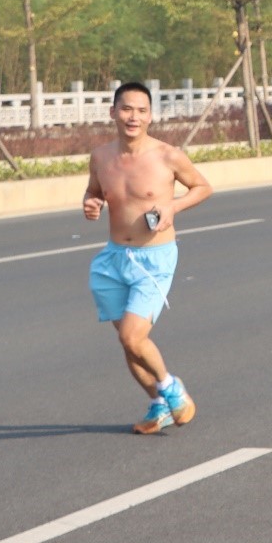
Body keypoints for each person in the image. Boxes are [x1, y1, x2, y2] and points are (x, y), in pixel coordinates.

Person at [83, 81, 213, 434]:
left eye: (141, 110)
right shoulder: (100, 157)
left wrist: (173, 206)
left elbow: (203, 187)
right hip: (113, 259)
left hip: (153, 258)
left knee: (132, 337)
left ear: (151, 116)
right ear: (113, 112)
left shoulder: (168, 156)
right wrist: (91, 204)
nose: (133, 117)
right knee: (130, 344)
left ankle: (172, 388)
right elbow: (94, 192)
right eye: (126, 109)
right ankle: (159, 404)